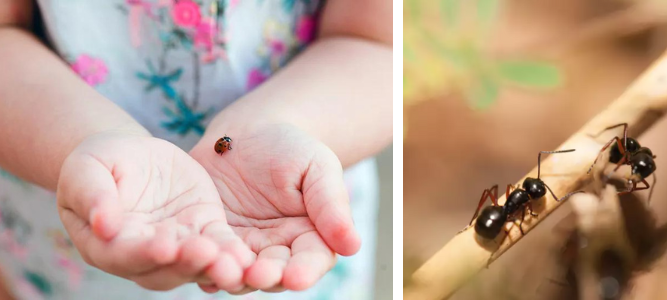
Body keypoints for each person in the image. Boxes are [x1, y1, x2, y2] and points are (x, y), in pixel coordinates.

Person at [0, 0, 391, 298]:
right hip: (61, 230)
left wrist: (280, 126)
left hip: (289, 213)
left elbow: (376, 44)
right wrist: (84, 140)